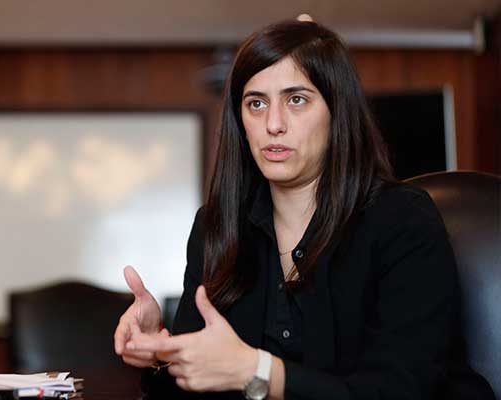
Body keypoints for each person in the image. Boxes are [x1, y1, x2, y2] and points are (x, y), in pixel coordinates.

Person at [113, 15, 495, 400]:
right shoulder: (217, 226)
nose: (273, 124)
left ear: (336, 111)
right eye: (256, 103)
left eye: (296, 100)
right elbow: (196, 387)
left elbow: (400, 390)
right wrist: (159, 351)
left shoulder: (403, 219)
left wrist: (256, 371)